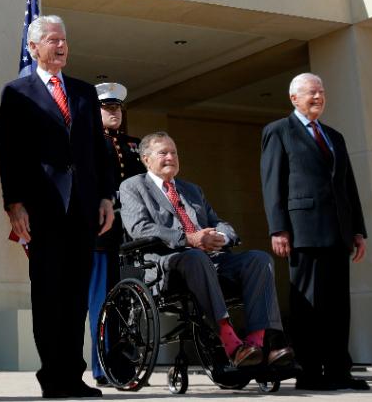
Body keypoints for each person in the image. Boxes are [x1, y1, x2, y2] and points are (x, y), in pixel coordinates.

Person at [0, 15, 115, 399]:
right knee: (48, 294)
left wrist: (106, 197)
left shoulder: (83, 92)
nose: (61, 45)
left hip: (83, 209)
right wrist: (14, 203)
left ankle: (72, 374)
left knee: (76, 295)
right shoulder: (17, 92)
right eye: (52, 40)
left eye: (63, 39)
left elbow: (100, 150)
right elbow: (9, 152)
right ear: (33, 48)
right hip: (43, 209)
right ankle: (52, 376)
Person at [120, 132, 295, 370]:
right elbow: (140, 228)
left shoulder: (192, 190)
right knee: (195, 256)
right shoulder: (133, 187)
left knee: (259, 259)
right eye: (163, 153)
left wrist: (221, 236)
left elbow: (218, 222)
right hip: (168, 265)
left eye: (174, 152)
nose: (171, 157)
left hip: (213, 260)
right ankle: (230, 341)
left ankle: (259, 343)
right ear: (146, 159)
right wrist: (189, 239)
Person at [260, 73, 368, 391]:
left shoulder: (334, 136)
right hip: (302, 230)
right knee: (308, 304)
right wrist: (278, 228)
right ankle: (309, 370)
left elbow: (348, 186)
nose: (318, 97)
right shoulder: (278, 131)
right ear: (294, 98)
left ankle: (339, 369)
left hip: (338, 232)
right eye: (311, 92)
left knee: (338, 305)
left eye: (321, 91)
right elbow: (272, 183)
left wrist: (357, 230)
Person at [86, 83, 146, 386]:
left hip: (131, 235)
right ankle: (102, 367)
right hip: (101, 235)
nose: (114, 113)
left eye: (117, 108)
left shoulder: (134, 145)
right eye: (108, 108)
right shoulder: (87, 143)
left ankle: (125, 364)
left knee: (129, 303)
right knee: (102, 301)